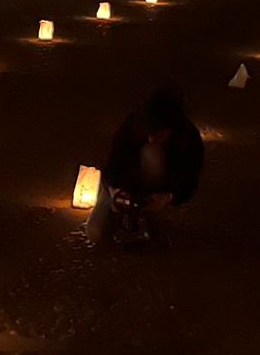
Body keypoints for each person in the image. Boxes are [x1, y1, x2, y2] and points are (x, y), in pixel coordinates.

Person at [88, 84, 205, 249]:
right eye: (150, 133)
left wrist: (169, 196)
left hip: (160, 190)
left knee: (160, 241)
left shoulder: (188, 139)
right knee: (96, 233)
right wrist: (114, 190)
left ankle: (153, 223)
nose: (152, 139)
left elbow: (189, 179)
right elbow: (111, 165)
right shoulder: (132, 127)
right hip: (124, 188)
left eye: (159, 134)